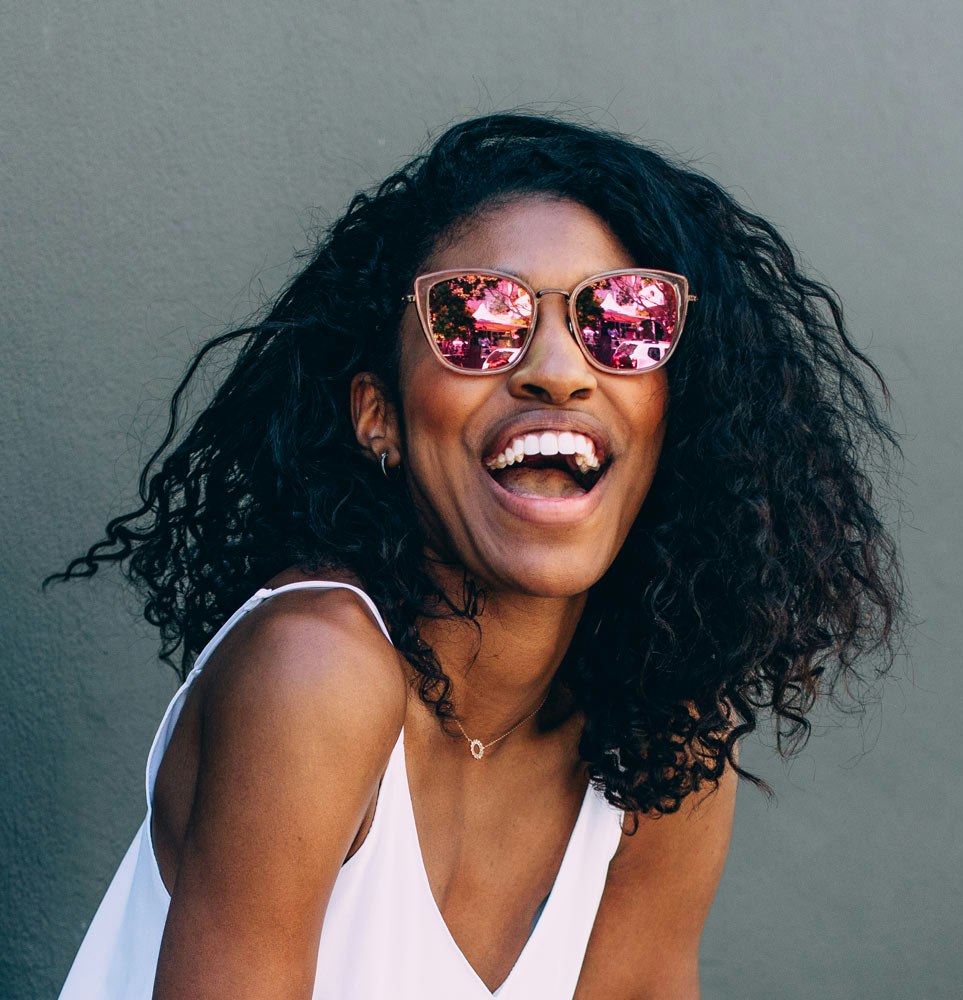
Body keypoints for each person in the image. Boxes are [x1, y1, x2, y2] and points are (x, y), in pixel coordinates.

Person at [52, 113, 904, 999]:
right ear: (376, 412)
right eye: (476, 318)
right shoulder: (315, 673)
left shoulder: (665, 729)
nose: (558, 371)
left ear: (674, 414)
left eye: (621, 321)